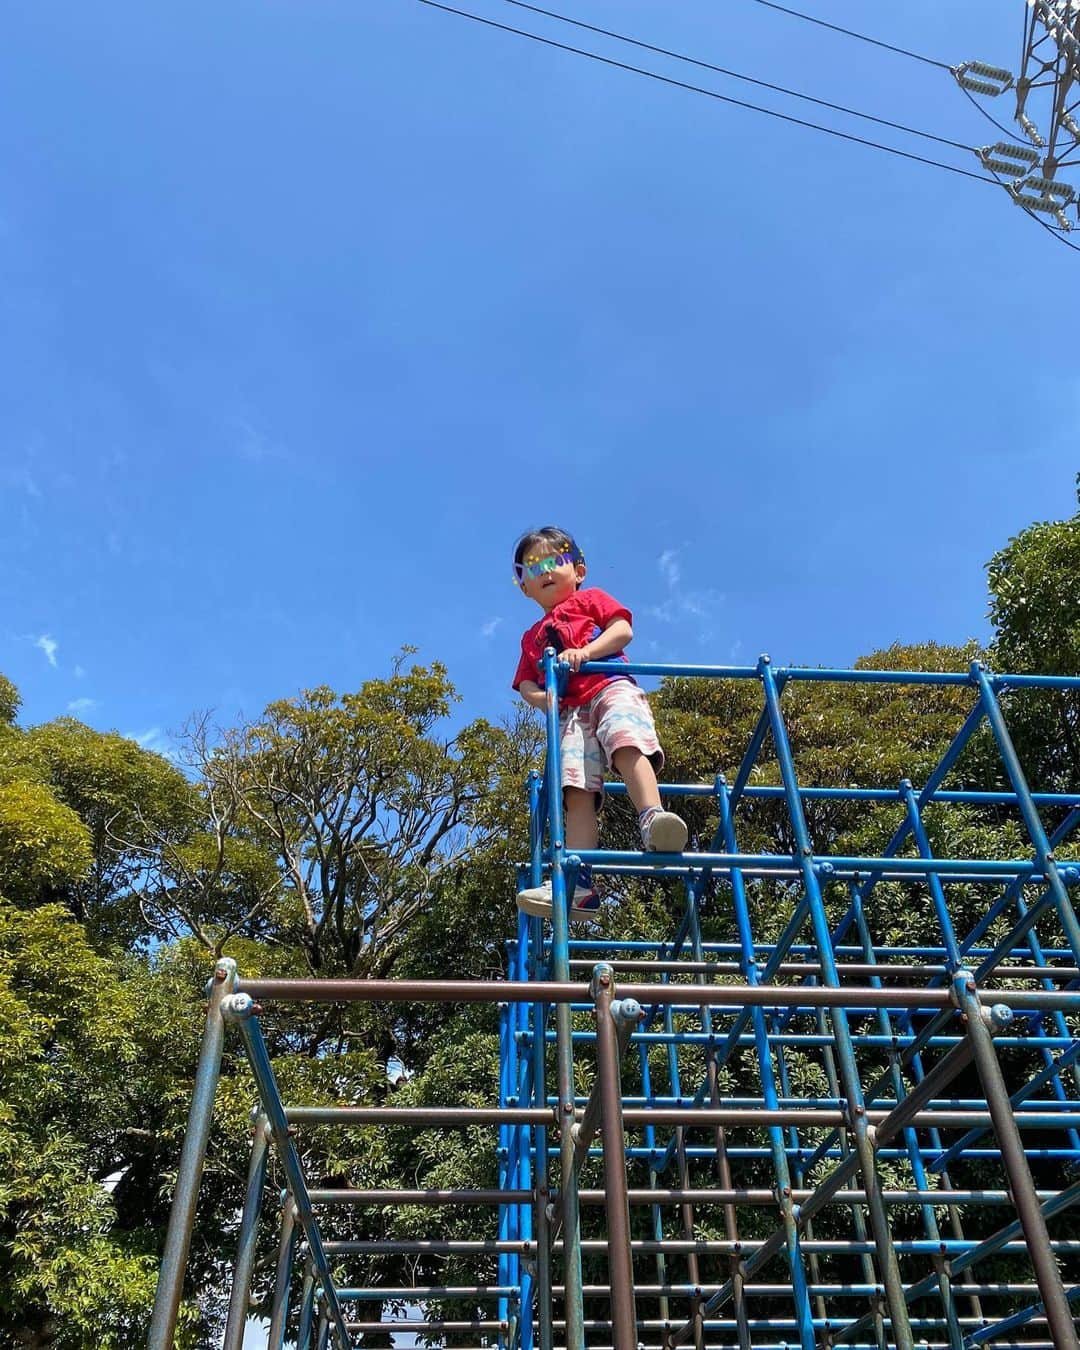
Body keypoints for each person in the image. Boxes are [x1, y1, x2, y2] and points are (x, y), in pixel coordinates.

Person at [511, 525, 688, 921]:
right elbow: (525, 682)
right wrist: (545, 699)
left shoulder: (590, 599)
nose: (544, 570)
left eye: (554, 560)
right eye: (532, 567)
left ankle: (652, 818)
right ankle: (579, 883)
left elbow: (622, 630)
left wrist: (585, 652)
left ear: (579, 570)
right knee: (574, 787)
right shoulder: (532, 636)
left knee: (626, 740)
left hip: (609, 683)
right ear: (525, 588)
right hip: (571, 710)